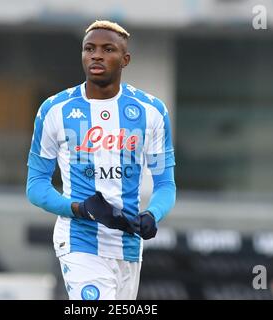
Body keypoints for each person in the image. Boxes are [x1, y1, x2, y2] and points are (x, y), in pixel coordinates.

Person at [26, 20, 176, 300]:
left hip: (128, 246)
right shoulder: (55, 109)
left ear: (125, 59)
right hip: (79, 240)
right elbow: (35, 185)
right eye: (89, 49)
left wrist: (153, 214)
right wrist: (79, 208)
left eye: (108, 49)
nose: (96, 55)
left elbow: (165, 184)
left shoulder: (152, 111)